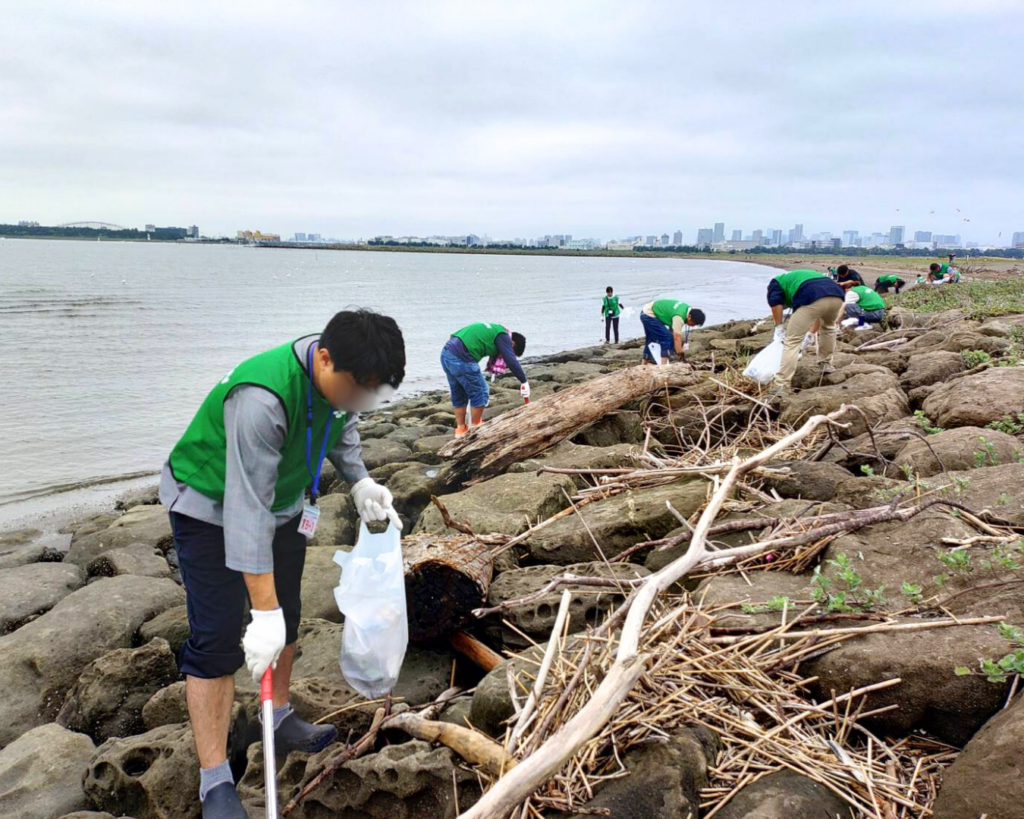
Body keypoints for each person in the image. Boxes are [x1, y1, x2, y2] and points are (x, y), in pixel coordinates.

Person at [160, 310, 406, 818]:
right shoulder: (260, 400)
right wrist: (261, 613)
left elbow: (341, 427)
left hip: (285, 504)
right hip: (209, 504)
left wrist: (359, 480)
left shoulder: (341, 381)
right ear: (324, 358)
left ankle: (277, 715)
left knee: (288, 613)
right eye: (358, 389)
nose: (361, 401)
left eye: (372, 393)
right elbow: (246, 510)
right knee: (219, 638)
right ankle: (215, 784)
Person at [442, 322, 528, 435]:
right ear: (512, 343)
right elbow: (510, 360)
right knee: (481, 391)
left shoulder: (495, 330)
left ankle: (461, 429)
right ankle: (476, 428)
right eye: (511, 350)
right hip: (461, 358)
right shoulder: (503, 336)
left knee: (459, 392)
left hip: (446, 353)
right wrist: (524, 381)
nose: (506, 352)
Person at [767, 269, 845, 390]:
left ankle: (781, 384)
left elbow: (775, 304)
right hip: (836, 294)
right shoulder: (795, 279)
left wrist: (778, 327)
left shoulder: (775, 283)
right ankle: (825, 364)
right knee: (829, 328)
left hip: (813, 294)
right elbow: (817, 311)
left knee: (792, 340)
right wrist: (811, 333)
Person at [640, 299, 705, 364]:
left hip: (647, 311)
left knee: (651, 339)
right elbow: (676, 337)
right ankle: (664, 366)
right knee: (667, 337)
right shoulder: (679, 316)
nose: (693, 326)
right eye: (693, 323)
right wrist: (680, 353)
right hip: (649, 315)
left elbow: (672, 330)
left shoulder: (688, 310)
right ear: (689, 317)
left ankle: (643, 365)